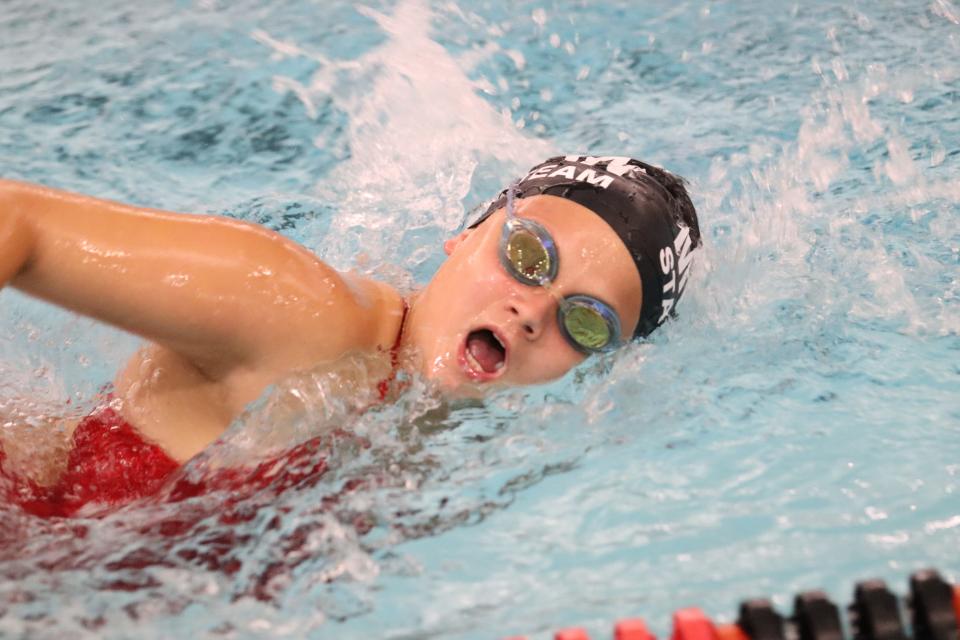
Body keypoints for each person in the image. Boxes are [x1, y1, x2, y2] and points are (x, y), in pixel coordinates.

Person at [0, 155, 701, 517]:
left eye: (586, 321)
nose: (532, 312)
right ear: (465, 234)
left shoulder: (459, 440)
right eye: (527, 256)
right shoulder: (297, 310)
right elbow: (16, 222)